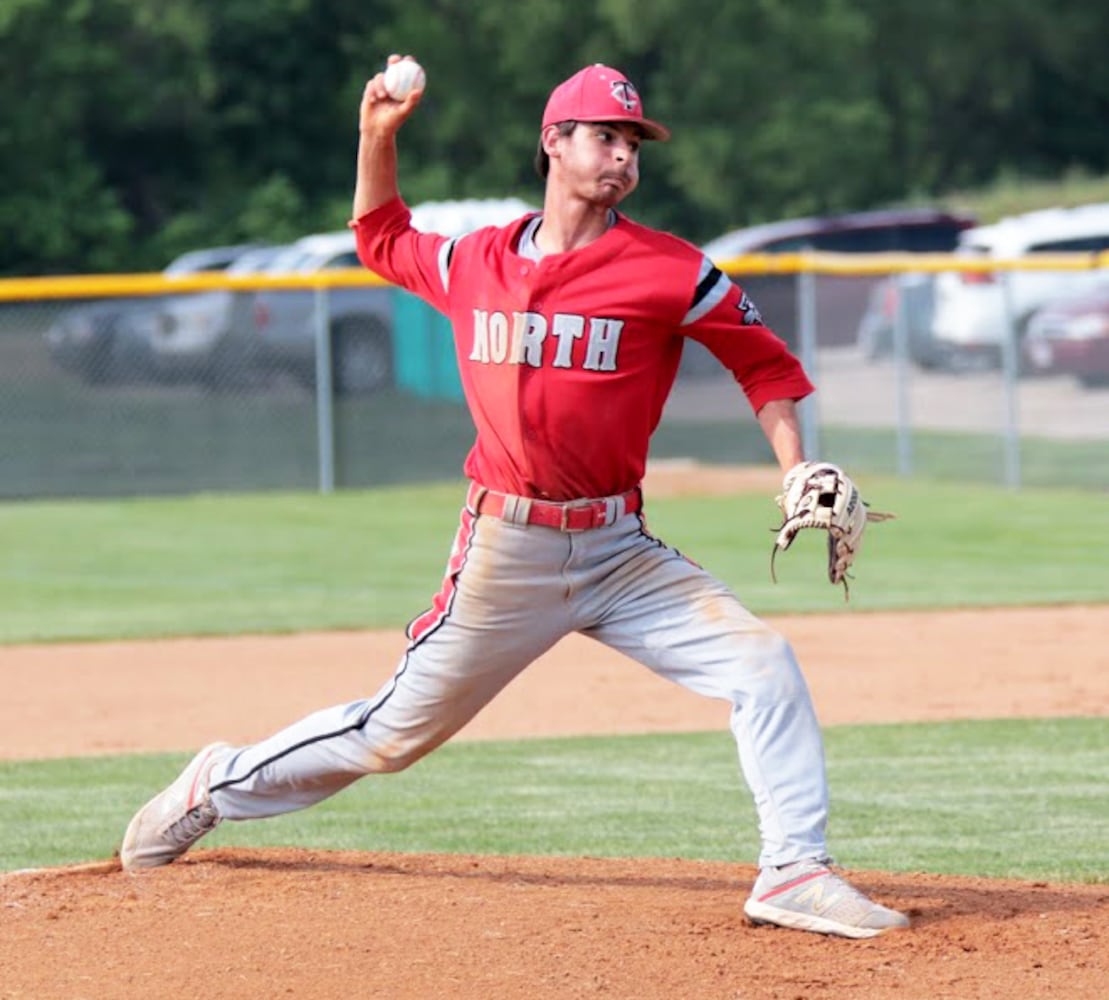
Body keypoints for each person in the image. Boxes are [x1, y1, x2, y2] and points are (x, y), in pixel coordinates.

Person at [121, 58, 909, 940]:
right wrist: (377, 131)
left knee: (764, 666)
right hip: (507, 549)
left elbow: (765, 366)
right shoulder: (474, 260)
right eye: (604, 137)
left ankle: (792, 869)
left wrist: (794, 462)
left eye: (632, 143)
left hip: (620, 551)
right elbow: (380, 235)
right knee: (393, 734)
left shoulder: (670, 270)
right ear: (553, 143)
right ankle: (216, 782)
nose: (622, 157)